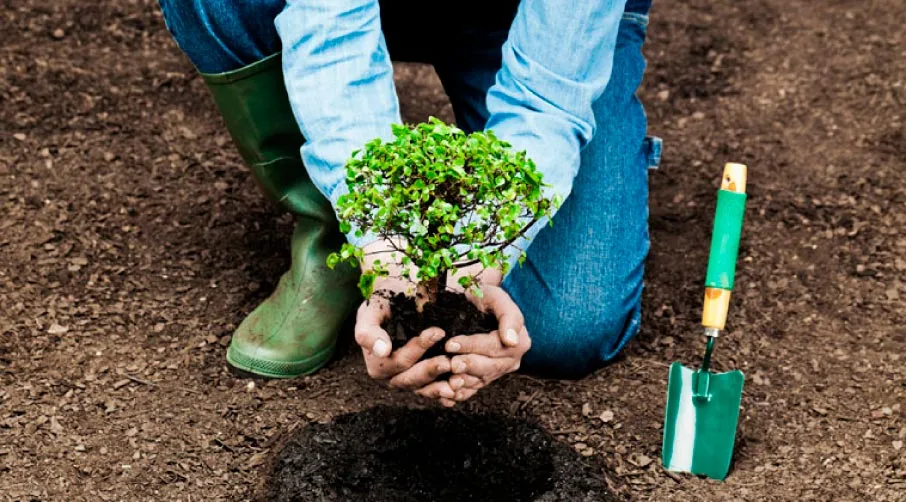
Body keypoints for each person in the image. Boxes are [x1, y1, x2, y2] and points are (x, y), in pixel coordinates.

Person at [156, 0, 661, 406]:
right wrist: (382, 238)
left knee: (565, 328)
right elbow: (331, 31)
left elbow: (547, 96)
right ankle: (333, 231)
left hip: (533, 26)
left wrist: (482, 254)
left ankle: (455, 204)